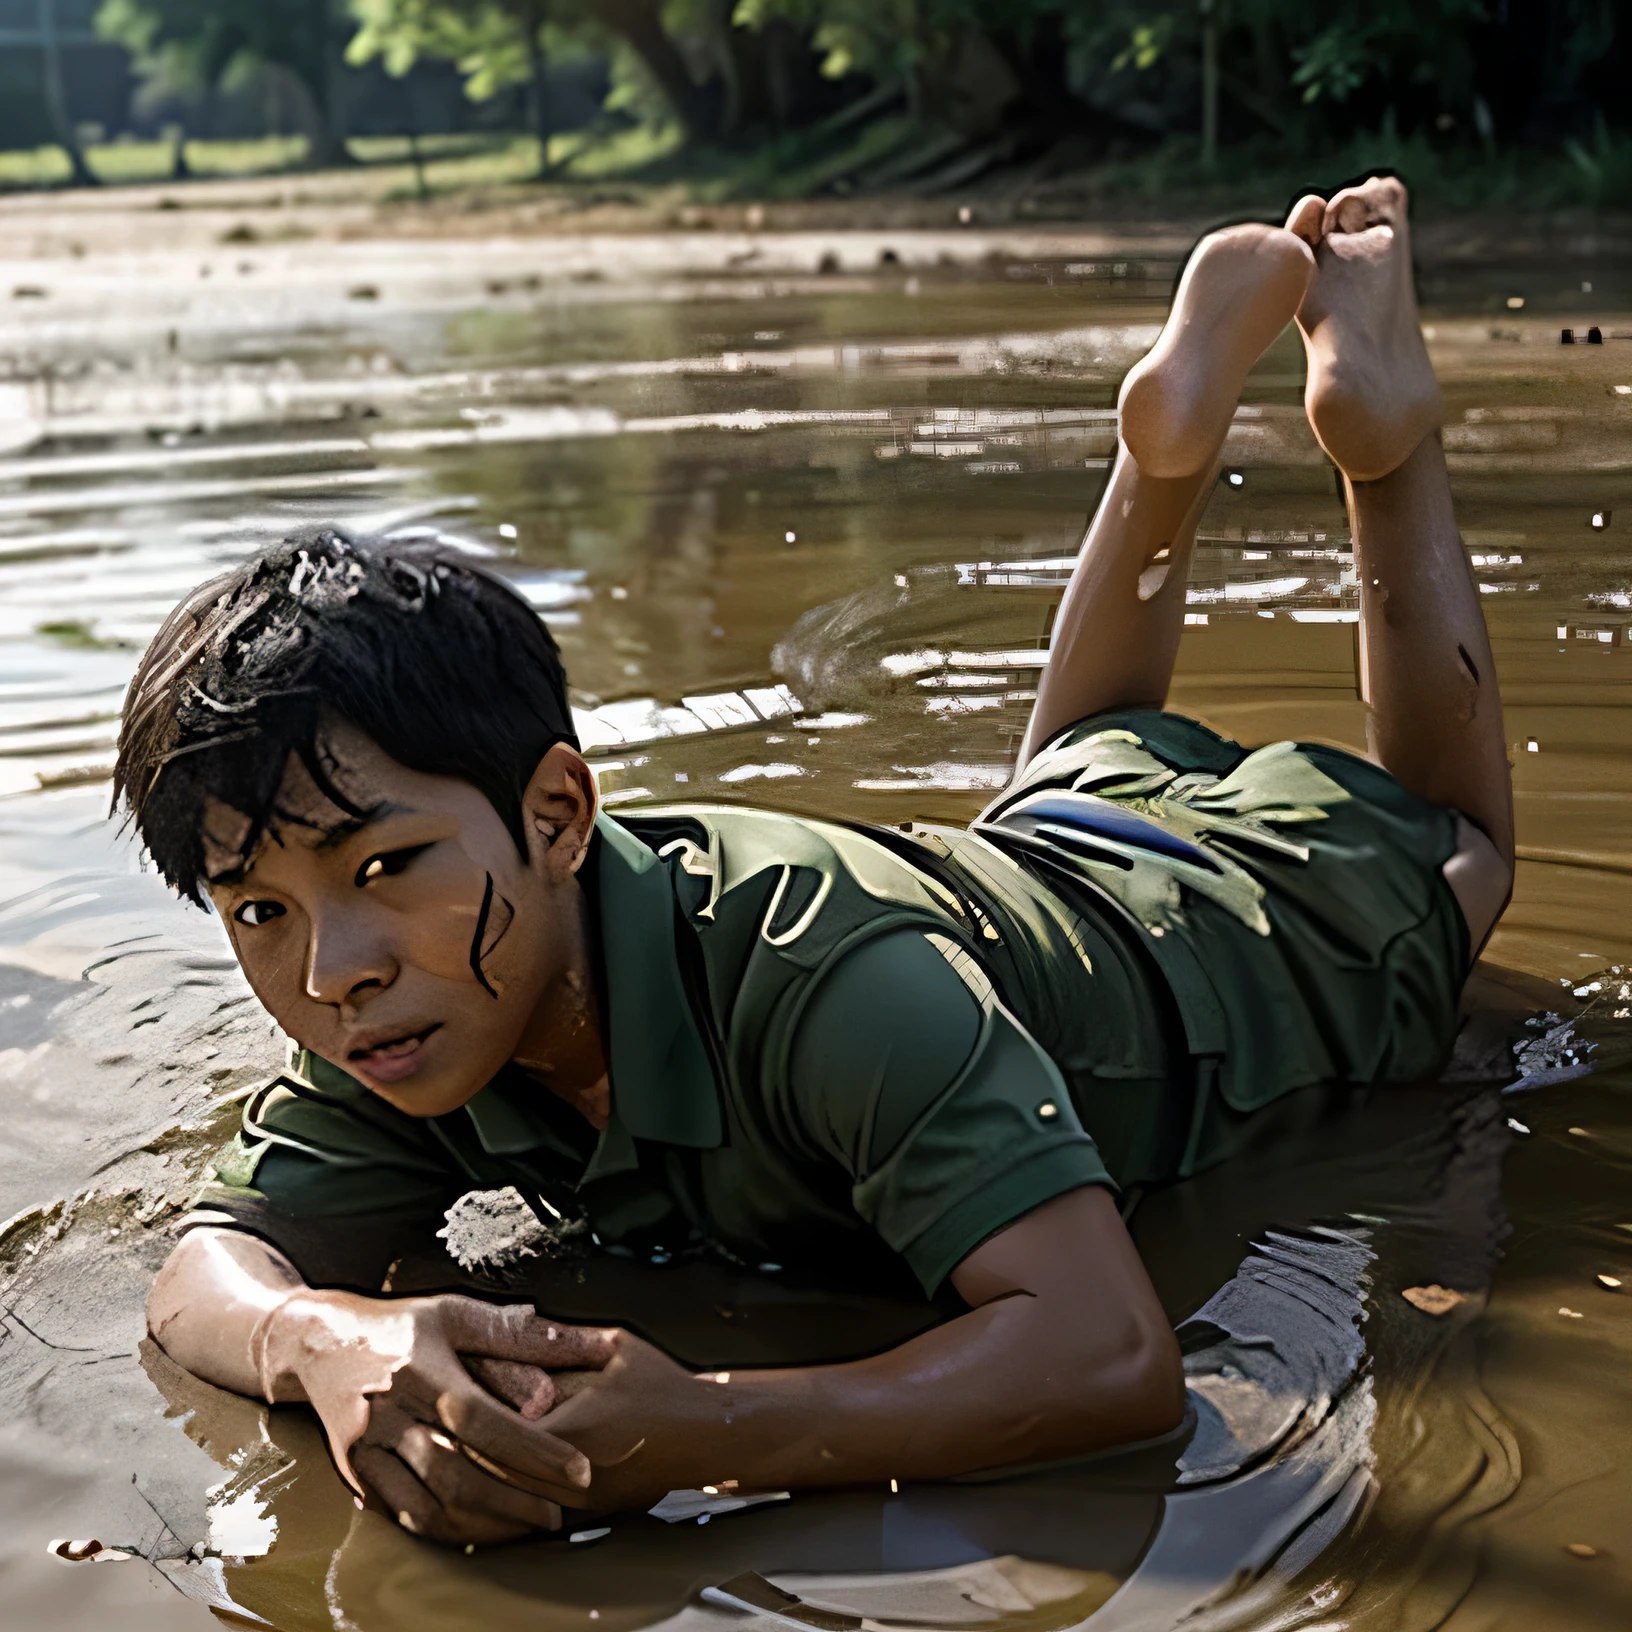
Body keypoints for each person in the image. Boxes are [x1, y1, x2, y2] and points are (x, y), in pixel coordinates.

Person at [119, 174, 1512, 1547]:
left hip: (1234, 928)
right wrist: (322, 1342)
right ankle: (1159, 454)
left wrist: (715, 1427)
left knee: (1462, 852)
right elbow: (201, 1279)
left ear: (556, 817)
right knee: (1079, 751)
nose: (331, 969)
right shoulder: (408, 1009)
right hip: (1043, 846)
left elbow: (1108, 1359)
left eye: (381, 868)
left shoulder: (825, 984)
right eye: (257, 910)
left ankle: (1387, 435)